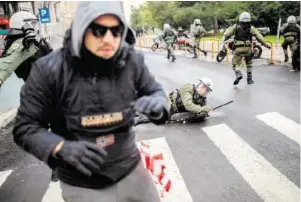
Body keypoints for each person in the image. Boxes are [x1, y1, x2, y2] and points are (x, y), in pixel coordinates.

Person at [12, 1, 169, 202]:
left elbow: (155, 91)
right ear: (81, 30)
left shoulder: (131, 61)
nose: (109, 39)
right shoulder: (49, 71)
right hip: (81, 183)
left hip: (130, 170)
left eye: (116, 31)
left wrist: (157, 105)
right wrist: (60, 147)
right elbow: (25, 127)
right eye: (98, 30)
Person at [0, 11, 52, 87]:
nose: (35, 26)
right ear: (21, 24)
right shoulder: (21, 41)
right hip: (37, 85)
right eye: (33, 23)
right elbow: (11, 60)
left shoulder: (34, 38)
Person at [135, 78, 213, 125]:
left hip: (175, 109)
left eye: (206, 90)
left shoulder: (202, 99)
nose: (203, 90)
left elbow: (202, 112)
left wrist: (203, 114)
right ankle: (137, 120)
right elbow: (188, 105)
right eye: (203, 87)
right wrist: (203, 109)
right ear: (198, 84)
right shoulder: (188, 88)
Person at [222, 12, 271, 85]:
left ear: (240, 18)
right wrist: (266, 45)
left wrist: (225, 39)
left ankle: (239, 74)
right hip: (248, 49)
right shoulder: (251, 27)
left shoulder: (236, 26)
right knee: (249, 63)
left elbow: (227, 34)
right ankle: (249, 79)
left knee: (235, 64)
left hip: (238, 49)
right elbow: (259, 37)